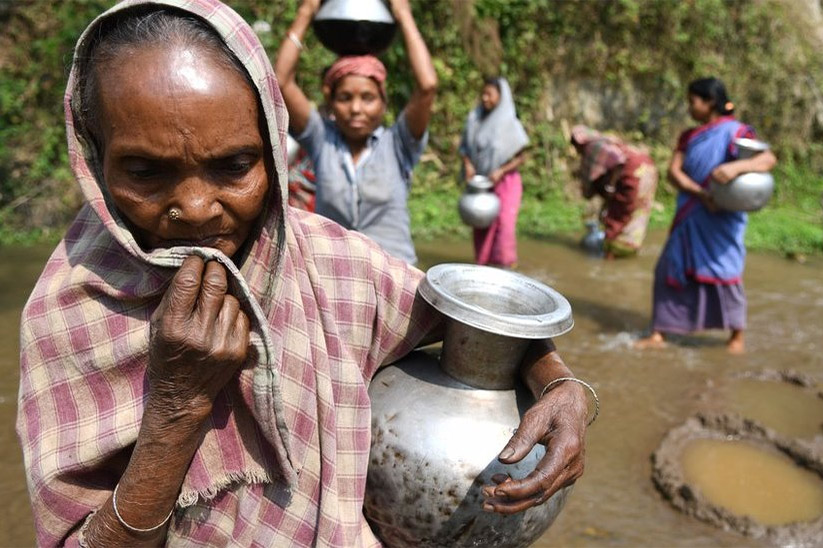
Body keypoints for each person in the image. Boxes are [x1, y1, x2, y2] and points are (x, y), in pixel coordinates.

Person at [15, 2, 591, 545]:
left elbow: (466, 321)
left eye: (234, 166)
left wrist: (561, 383)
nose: (193, 207)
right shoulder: (71, 312)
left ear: (271, 149)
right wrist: (176, 410)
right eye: (143, 171)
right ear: (94, 157)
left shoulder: (329, 263)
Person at [275, 0, 437, 265]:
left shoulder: (398, 144)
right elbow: (281, 81)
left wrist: (404, 15)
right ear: (331, 103)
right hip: (335, 277)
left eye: (368, 98)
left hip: (396, 278)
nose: (356, 108)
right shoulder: (322, 140)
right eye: (345, 97)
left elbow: (427, 85)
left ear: (383, 102)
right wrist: (306, 12)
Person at [637, 77, 777, 353]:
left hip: (722, 217)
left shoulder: (736, 131)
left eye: (693, 101)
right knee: (669, 269)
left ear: (709, 101)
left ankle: (737, 337)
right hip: (693, 210)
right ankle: (660, 332)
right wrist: (701, 194)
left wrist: (735, 169)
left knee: (724, 272)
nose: (689, 107)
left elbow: (767, 159)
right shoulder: (689, 136)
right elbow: (674, 172)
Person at [459, 77, 529, 268]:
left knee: (504, 226)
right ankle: (482, 268)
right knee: (481, 226)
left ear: (501, 96)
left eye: (489, 94)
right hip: (482, 183)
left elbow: (522, 156)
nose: (485, 98)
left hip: (506, 182)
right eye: (483, 93)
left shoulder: (510, 124)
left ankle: (505, 269)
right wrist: (468, 165)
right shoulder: (475, 119)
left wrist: (501, 170)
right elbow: (464, 148)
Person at [570, 125, 658, 259]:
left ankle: (612, 253)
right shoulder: (607, 141)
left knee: (620, 213)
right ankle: (629, 248)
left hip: (633, 173)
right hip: (647, 168)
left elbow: (618, 161)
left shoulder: (593, 147)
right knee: (637, 210)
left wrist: (610, 186)